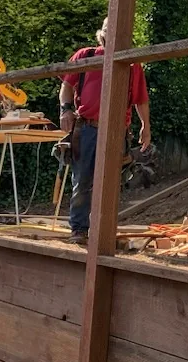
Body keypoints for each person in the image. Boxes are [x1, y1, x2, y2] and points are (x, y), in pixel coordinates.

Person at [58, 17, 150, 242]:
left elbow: (140, 99)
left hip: (116, 131)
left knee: (109, 185)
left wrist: (146, 126)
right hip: (87, 128)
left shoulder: (132, 64)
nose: (114, 36)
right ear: (103, 34)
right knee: (82, 182)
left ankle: (103, 232)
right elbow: (66, 86)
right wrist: (66, 110)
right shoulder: (85, 56)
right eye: (111, 31)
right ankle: (79, 229)